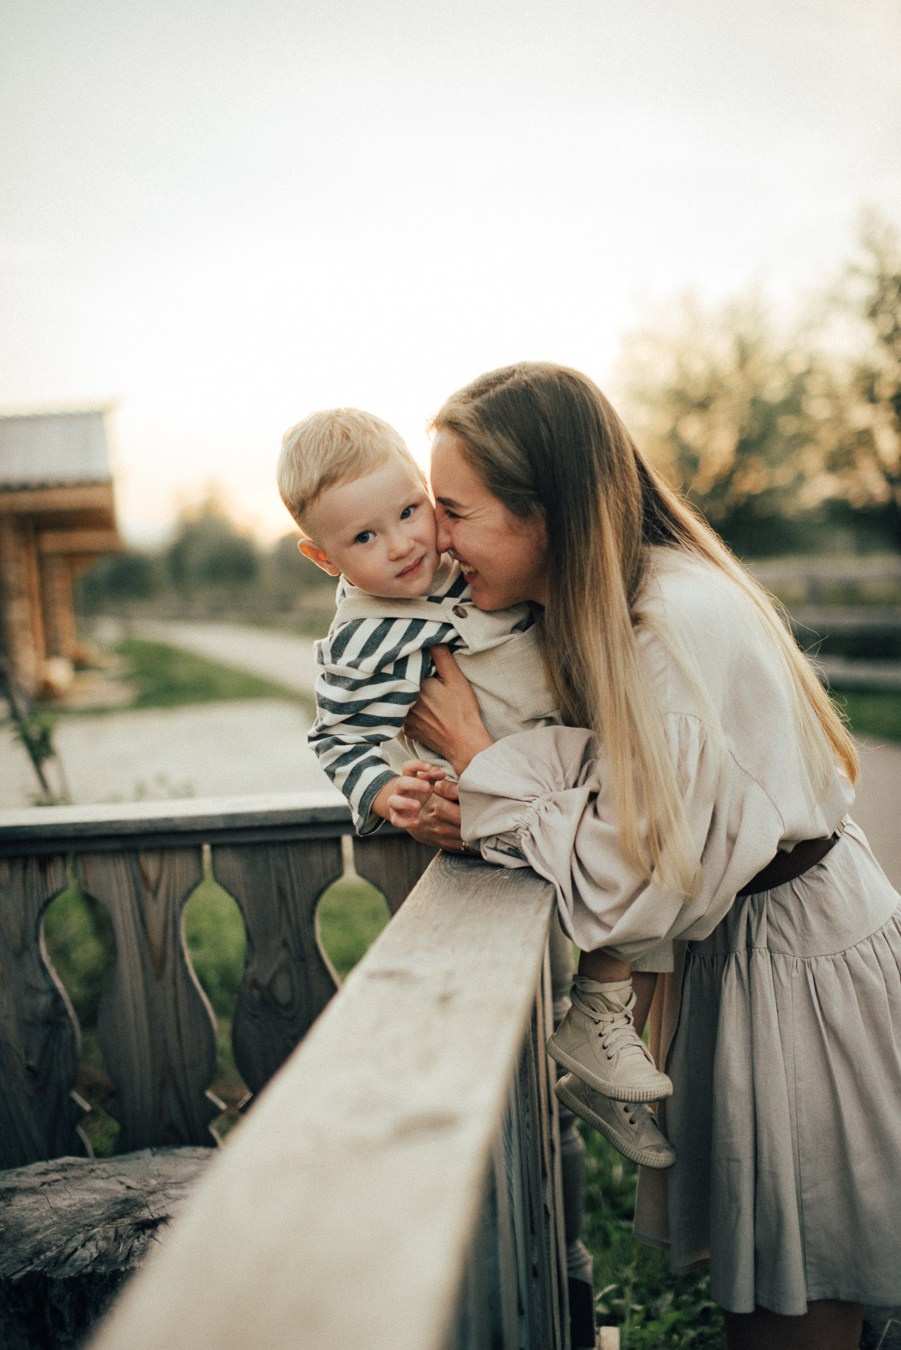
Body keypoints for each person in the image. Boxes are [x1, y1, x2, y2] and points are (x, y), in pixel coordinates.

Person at [390, 361, 901, 1350]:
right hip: (769, 948)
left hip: (800, 968)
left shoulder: (669, 627)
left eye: (452, 510)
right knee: (790, 1293)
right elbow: (617, 802)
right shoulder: (626, 603)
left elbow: (635, 888)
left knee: (794, 1312)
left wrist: (476, 762)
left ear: (549, 510)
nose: (433, 539)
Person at [277, 406, 675, 1167]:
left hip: (567, 766)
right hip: (499, 800)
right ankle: (594, 1033)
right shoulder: (363, 637)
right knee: (603, 888)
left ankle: (601, 1031)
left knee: (642, 864)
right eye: (363, 537)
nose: (400, 545)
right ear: (322, 558)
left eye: (408, 512)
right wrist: (382, 790)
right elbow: (338, 736)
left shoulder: (467, 563)